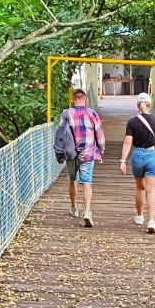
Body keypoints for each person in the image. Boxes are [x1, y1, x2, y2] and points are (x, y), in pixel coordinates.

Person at [118, 92, 155, 234]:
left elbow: (128, 142)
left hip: (137, 155)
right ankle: (152, 221)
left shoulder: (132, 121)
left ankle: (140, 216)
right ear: (149, 105)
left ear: (138, 106)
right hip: (152, 154)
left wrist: (123, 160)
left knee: (140, 187)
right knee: (151, 190)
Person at [59, 88, 105, 227]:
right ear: (85, 100)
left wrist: (60, 153)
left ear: (72, 100)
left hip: (71, 153)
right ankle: (87, 211)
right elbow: (99, 134)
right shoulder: (92, 114)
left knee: (73, 180)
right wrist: (101, 149)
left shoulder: (66, 114)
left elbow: (60, 134)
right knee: (86, 182)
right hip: (87, 154)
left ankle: (73, 208)